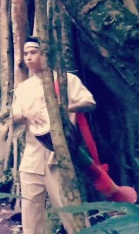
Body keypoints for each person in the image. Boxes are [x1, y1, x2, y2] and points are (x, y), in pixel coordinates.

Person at [11, 38, 95, 234]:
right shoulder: (23, 87)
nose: (29, 57)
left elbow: (89, 102)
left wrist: (63, 107)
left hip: (58, 155)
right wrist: (26, 114)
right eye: (25, 54)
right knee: (31, 215)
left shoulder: (66, 80)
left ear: (45, 54)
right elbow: (15, 115)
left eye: (33, 52)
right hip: (31, 157)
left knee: (71, 211)